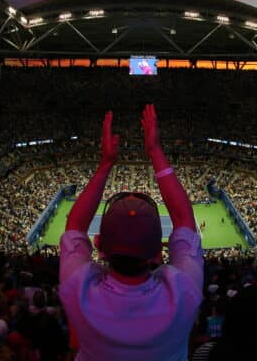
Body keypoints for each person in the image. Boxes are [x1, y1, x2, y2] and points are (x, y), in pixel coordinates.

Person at [59, 105, 203, 360]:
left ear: (99, 244)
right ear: (159, 252)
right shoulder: (184, 294)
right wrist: (155, 151)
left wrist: (105, 163)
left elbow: (74, 226)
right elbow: (184, 217)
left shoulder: (77, 291)